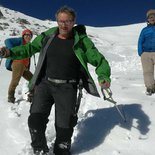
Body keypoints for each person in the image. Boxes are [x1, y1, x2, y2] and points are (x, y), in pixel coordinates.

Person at [0, 6, 111, 155]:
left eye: (68, 21)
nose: (64, 25)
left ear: (73, 22)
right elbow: (29, 49)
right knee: (35, 121)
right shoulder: (48, 36)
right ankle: (40, 149)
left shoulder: (82, 41)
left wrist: (103, 77)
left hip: (67, 88)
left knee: (65, 127)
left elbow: (99, 60)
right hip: (45, 84)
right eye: (61, 21)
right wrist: (9, 52)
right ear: (57, 21)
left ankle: (61, 150)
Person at [5, 29, 33, 103]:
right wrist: (11, 50)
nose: (28, 36)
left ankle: (32, 94)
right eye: (26, 35)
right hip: (17, 63)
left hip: (24, 66)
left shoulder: (29, 46)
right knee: (15, 80)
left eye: (29, 35)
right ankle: (10, 97)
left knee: (33, 79)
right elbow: (7, 41)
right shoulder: (20, 41)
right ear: (23, 36)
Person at [138, 9, 155, 95]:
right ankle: (150, 87)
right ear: (148, 19)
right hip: (146, 53)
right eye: (150, 17)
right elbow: (140, 41)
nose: (152, 18)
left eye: (154, 16)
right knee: (148, 71)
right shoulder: (144, 30)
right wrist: (141, 53)